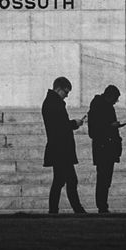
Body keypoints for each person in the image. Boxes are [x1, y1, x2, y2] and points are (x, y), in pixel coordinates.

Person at [42, 76, 86, 214]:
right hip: (61, 149)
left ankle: (54, 210)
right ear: (59, 89)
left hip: (58, 148)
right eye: (66, 92)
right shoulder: (55, 104)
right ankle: (77, 210)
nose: (66, 96)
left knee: (60, 181)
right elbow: (61, 126)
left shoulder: (51, 102)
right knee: (71, 180)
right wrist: (75, 123)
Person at [87, 85, 126, 214]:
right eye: (116, 98)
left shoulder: (105, 106)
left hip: (107, 148)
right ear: (110, 96)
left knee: (105, 179)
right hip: (103, 148)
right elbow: (94, 130)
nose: (116, 101)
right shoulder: (99, 106)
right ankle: (102, 206)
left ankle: (103, 205)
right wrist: (110, 126)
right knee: (103, 178)